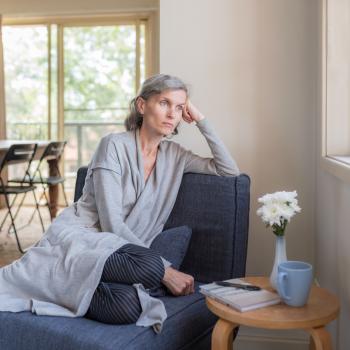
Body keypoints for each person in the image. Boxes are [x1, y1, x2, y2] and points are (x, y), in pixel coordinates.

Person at [0, 74, 239, 333]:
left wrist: (201, 120)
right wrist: (165, 270)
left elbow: (229, 171)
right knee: (150, 266)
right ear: (141, 105)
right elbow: (112, 224)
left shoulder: (176, 156)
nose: (173, 114)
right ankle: (64, 276)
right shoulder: (113, 145)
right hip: (83, 239)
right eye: (164, 103)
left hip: (125, 253)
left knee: (127, 306)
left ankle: (66, 285)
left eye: (180, 108)